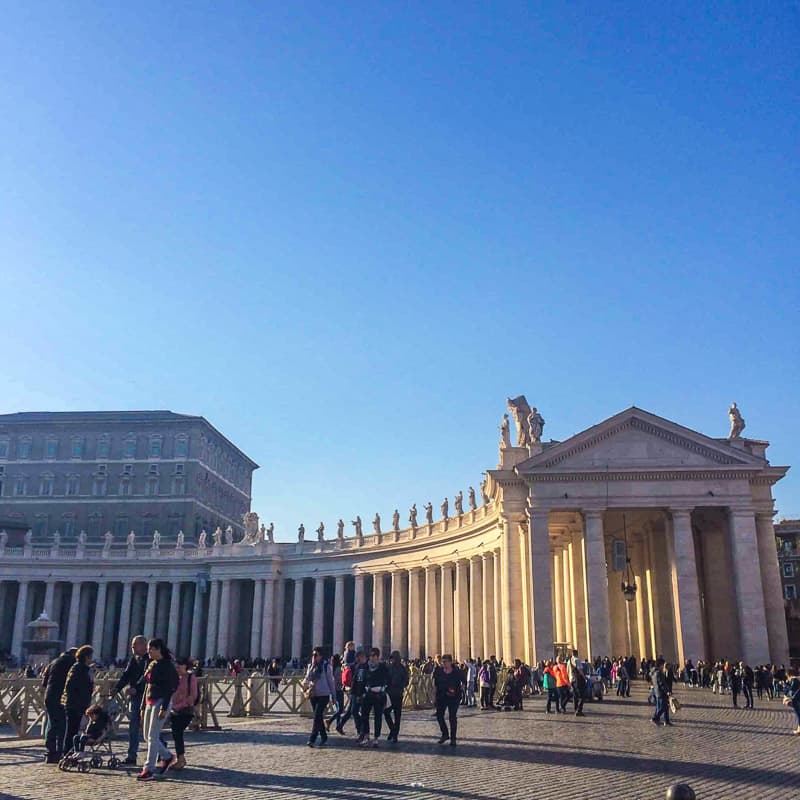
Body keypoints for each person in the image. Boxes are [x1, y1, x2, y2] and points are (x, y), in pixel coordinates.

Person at [137, 638, 179, 782]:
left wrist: (164, 707)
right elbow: (147, 687)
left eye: (150, 649)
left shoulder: (167, 666)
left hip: (161, 701)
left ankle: (148, 769)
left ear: (158, 649)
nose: (147, 651)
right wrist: (142, 707)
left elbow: (171, 688)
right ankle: (167, 757)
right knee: (146, 736)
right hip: (150, 701)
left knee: (153, 736)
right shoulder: (151, 664)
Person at [114, 635, 149, 766]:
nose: (132, 647)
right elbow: (126, 675)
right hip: (135, 698)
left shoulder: (150, 660)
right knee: (133, 726)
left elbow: (147, 678)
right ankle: (131, 755)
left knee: (148, 727)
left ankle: (162, 750)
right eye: (132, 645)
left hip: (146, 697)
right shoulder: (134, 659)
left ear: (143, 645)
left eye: (135, 645)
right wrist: (116, 689)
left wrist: (137, 688)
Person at [41, 647, 76, 763]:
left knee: (51, 723)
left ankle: (50, 752)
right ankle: (60, 751)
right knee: (62, 725)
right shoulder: (72, 663)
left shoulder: (53, 662)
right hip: (62, 696)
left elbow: (44, 682)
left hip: (49, 695)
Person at [61, 645, 94, 756]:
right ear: (86, 657)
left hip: (72, 702)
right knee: (73, 730)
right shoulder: (83, 669)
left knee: (71, 729)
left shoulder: (75, 668)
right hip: (77, 704)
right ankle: (68, 753)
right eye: (90, 657)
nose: (91, 659)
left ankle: (69, 752)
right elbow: (83, 687)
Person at [303, 647, 336, 748]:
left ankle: (312, 739)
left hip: (324, 694)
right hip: (313, 694)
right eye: (313, 655)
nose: (314, 657)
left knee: (317, 716)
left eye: (316, 655)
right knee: (318, 717)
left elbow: (331, 681)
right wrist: (312, 666)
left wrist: (333, 695)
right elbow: (307, 678)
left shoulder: (326, 666)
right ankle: (324, 737)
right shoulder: (311, 666)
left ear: (321, 656)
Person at [169, 657, 198, 770]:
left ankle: (180, 759)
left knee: (177, 732)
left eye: (179, 665)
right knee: (176, 734)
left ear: (185, 666)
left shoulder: (191, 677)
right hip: (173, 711)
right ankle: (177, 758)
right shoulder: (175, 678)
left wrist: (178, 706)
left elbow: (193, 697)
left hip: (185, 711)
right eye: (176, 665)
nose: (177, 667)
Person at [434, 654, 464, 746]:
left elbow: (463, 681)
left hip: (454, 697)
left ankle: (453, 738)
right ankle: (445, 734)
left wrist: (460, 690)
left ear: (450, 662)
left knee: (452, 717)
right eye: (443, 662)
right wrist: (434, 697)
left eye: (446, 662)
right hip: (442, 696)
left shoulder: (456, 671)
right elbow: (435, 684)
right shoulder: (438, 671)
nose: (444, 663)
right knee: (439, 715)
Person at [360, 648, 389, 747]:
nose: (371, 658)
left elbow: (387, 679)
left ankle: (376, 738)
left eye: (373, 655)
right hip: (367, 694)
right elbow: (362, 680)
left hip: (378, 695)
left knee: (378, 717)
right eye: (370, 655)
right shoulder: (365, 667)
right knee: (364, 716)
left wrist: (383, 688)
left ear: (377, 656)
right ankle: (366, 736)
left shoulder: (382, 667)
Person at [383, 650, 409, 742]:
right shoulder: (394, 668)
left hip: (396, 693)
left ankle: (394, 734)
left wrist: (399, 684)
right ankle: (393, 731)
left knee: (395, 715)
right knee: (388, 713)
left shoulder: (400, 668)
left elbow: (406, 681)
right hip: (392, 694)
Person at [324, 654, 344, 734]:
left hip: (332, 690)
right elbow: (339, 680)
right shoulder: (338, 668)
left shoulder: (331, 667)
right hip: (338, 689)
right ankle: (330, 720)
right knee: (340, 709)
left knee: (338, 709)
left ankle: (338, 726)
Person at [651, 658, 672, 726]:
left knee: (663, 707)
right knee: (663, 707)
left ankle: (666, 720)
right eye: (663, 664)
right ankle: (655, 718)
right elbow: (661, 683)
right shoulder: (659, 673)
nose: (663, 666)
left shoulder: (653, 672)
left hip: (657, 692)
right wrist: (667, 691)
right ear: (660, 665)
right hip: (661, 692)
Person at [785, 666, 800, 735]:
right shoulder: (797, 679)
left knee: (798, 714)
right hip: (797, 699)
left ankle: (799, 729)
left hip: (796, 699)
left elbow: (792, 689)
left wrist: (785, 685)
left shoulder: (794, 680)